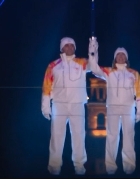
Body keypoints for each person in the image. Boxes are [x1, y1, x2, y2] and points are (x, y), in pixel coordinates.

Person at [41, 36, 98, 175]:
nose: (70, 47)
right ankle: (54, 166)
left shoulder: (81, 62)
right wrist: (45, 106)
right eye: (67, 45)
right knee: (57, 136)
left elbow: (94, 66)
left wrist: (93, 50)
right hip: (59, 104)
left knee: (78, 135)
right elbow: (47, 86)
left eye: (72, 45)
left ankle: (79, 165)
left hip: (77, 104)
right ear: (62, 48)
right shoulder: (53, 65)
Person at [89, 42, 140, 175]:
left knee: (129, 137)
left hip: (128, 108)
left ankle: (129, 166)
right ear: (115, 58)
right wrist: (93, 51)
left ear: (126, 58)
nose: (120, 57)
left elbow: (139, 92)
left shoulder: (134, 73)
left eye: (122, 55)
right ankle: (110, 167)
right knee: (112, 137)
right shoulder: (109, 72)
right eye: (118, 55)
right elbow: (94, 69)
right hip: (113, 107)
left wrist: (139, 110)